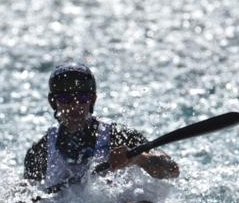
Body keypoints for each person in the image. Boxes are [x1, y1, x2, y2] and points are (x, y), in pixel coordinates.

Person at [24, 62, 179, 189]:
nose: (75, 106)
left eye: (83, 98)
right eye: (65, 99)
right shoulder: (40, 151)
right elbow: (26, 194)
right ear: (54, 102)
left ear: (93, 100)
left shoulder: (118, 136)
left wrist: (139, 159)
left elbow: (172, 170)